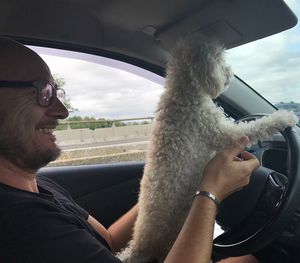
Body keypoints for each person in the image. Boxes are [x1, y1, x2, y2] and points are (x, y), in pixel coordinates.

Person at [0, 37, 260, 263]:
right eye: (43, 92)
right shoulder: (19, 224)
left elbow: (109, 241)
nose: (63, 111)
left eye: (57, 91)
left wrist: (179, 183)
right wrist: (210, 193)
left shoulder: (38, 188)